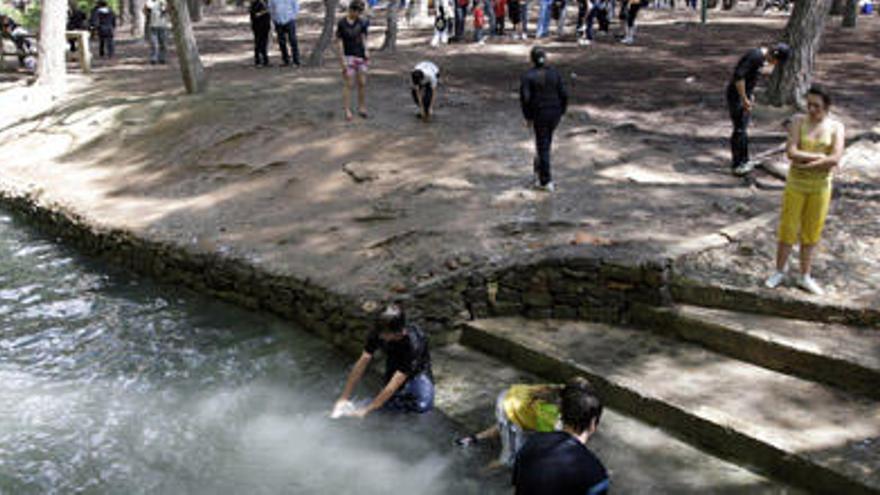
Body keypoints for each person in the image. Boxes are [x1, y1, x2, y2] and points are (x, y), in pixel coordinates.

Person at [765, 85, 844, 296]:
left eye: (816, 106)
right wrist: (819, 158)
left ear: (826, 107)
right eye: (808, 104)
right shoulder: (798, 121)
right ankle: (779, 271)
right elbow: (791, 151)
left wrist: (810, 162)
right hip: (796, 183)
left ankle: (805, 275)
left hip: (820, 186)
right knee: (788, 227)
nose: (811, 109)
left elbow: (836, 158)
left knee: (812, 230)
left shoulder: (836, 127)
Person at [331, 304, 434, 418]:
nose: (380, 336)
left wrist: (366, 410)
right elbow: (363, 361)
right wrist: (344, 398)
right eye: (379, 332)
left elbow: (395, 382)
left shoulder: (412, 344)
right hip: (393, 361)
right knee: (387, 402)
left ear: (398, 332)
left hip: (418, 372)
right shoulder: (379, 331)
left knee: (423, 407)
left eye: (384, 334)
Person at [455, 381, 585, 467]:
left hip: (511, 399)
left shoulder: (560, 389)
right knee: (508, 459)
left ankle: (472, 439)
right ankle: (480, 474)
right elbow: (546, 442)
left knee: (506, 428)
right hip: (507, 407)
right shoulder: (549, 413)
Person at [513, 379, 608, 495]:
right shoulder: (595, 473)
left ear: (560, 414)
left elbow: (518, 485)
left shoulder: (531, 443)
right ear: (593, 424)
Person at [726, 42, 791, 176]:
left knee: (742, 128)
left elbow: (750, 78)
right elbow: (739, 77)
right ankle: (737, 165)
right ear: (774, 55)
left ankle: (744, 160)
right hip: (737, 96)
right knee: (740, 130)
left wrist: (750, 94)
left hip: (744, 95)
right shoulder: (755, 57)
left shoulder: (761, 59)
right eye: (776, 62)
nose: (774, 65)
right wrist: (744, 98)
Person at [520, 47, 568, 192]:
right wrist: (562, 111)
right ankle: (538, 171)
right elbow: (564, 94)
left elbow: (525, 99)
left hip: (540, 114)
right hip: (555, 113)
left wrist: (528, 117)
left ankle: (545, 180)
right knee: (545, 142)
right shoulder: (555, 73)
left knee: (543, 145)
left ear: (532, 59)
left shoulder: (528, 76)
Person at [337, 0, 370, 121]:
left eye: (360, 13)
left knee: (362, 82)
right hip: (348, 56)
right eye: (356, 12)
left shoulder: (362, 22)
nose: (358, 15)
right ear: (351, 10)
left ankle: (362, 107)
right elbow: (339, 42)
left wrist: (366, 50)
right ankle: (347, 110)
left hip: (360, 55)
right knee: (349, 84)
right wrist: (342, 60)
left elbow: (364, 37)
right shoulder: (342, 23)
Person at [269, 0, 300, 67]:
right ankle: (286, 60)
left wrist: (293, 17)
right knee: (281, 41)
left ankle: (296, 60)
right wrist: (274, 19)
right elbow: (271, 8)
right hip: (278, 21)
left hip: (289, 20)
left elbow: (296, 6)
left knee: (293, 40)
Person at [145, 0, 170, 64]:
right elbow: (145, 12)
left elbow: (167, 11)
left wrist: (164, 8)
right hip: (152, 26)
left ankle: (162, 58)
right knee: (154, 44)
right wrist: (147, 10)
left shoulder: (163, 1)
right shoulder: (149, 2)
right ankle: (154, 58)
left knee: (163, 43)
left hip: (162, 25)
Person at [250, 0, 272, 66]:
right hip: (258, 26)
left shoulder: (267, 2)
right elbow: (255, 15)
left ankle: (265, 60)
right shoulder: (255, 3)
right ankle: (258, 60)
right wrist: (266, 11)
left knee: (265, 42)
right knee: (258, 42)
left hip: (266, 25)